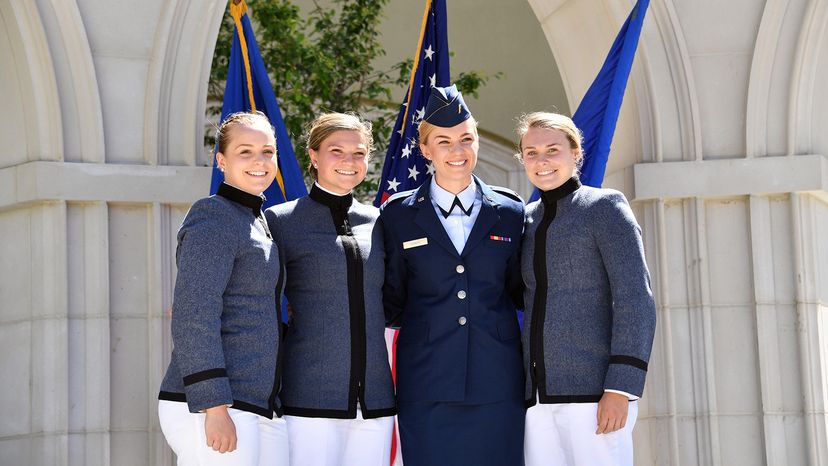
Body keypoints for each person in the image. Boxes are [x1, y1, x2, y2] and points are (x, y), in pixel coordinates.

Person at [380, 85, 526, 466]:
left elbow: (518, 289)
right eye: (443, 141)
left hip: (497, 380)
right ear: (425, 150)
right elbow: (393, 299)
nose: (457, 151)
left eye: (466, 139)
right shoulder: (398, 215)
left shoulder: (510, 211)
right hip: (427, 383)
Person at [515, 112, 656, 466]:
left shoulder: (605, 207)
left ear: (576, 152)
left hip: (596, 396)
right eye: (531, 153)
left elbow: (635, 298)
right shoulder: (524, 220)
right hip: (536, 401)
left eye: (552, 149)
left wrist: (621, 388)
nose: (541, 160)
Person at [157, 111, 289, 466]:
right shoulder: (212, 215)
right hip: (215, 403)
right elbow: (193, 314)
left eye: (267, 151)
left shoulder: (258, 221)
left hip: (260, 404)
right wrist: (214, 406)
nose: (259, 161)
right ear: (221, 160)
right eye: (245, 152)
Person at [265, 112, 396, 466]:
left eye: (359, 153)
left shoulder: (380, 222)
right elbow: (261, 306)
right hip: (308, 395)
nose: (349, 162)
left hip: (375, 399)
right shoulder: (281, 220)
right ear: (313, 155)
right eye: (336, 151)